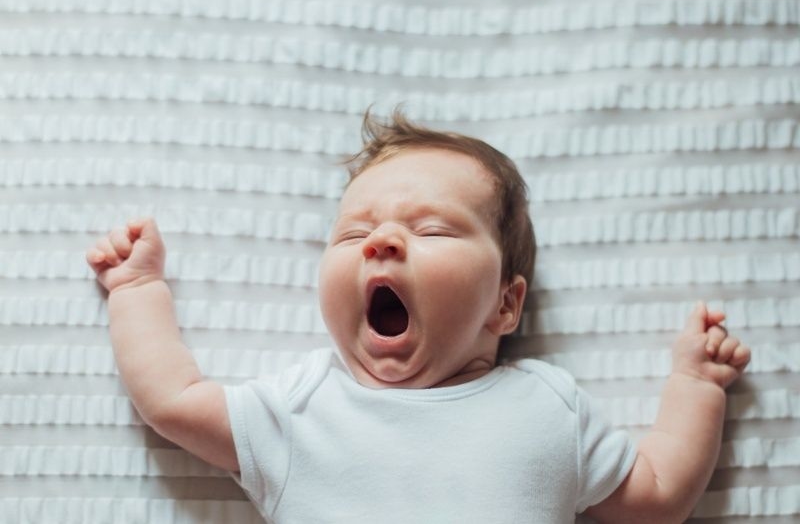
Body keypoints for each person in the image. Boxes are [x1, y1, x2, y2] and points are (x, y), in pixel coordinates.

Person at [86, 110, 751, 523]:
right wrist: (138, 289)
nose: (382, 240)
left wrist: (695, 387)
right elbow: (174, 399)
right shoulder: (301, 410)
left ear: (505, 303)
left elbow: (657, 495)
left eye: (432, 229)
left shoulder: (548, 409)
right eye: (354, 233)